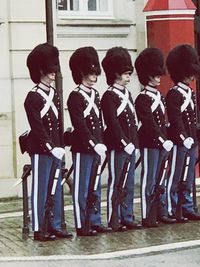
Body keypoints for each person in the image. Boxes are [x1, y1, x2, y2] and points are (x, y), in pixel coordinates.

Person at [25, 42, 73, 241]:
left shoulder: (54, 95)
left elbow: (57, 124)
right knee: (41, 188)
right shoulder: (33, 97)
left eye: (55, 68)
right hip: (42, 149)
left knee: (56, 187)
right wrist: (49, 147)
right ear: (41, 70)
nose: (54, 72)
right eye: (50, 69)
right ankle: (39, 227)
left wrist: (60, 145)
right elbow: (37, 127)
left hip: (56, 149)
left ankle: (54, 223)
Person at [67, 46, 108, 236]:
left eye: (95, 73)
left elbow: (99, 122)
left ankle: (94, 219)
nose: (94, 77)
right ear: (82, 73)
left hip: (96, 147)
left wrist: (101, 142)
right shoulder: (75, 96)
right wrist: (93, 143)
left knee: (95, 187)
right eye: (90, 73)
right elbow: (80, 125)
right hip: (83, 148)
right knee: (82, 188)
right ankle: (81, 223)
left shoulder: (96, 95)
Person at [101, 46, 142, 231]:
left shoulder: (128, 94)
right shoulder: (109, 96)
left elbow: (132, 121)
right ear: (116, 73)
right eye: (125, 73)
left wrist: (134, 143)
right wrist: (125, 143)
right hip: (118, 146)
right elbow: (113, 123)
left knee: (129, 182)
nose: (128, 77)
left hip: (130, 146)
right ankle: (113, 217)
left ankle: (127, 215)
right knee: (116, 182)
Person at [134, 48, 176, 227]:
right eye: (155, 74)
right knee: (149, 179)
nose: (159, 77)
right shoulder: (142, 98)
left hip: (161, 143)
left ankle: (161, 210)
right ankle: (147, 214)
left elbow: (162, 120)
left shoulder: (159, 95)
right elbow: (149, 124)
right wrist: (161, 140)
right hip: (150, 143)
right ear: (147, 75)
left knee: (161, 179)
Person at [166, 44, 200, 221]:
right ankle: (172, 207)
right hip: (180, 141)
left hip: (190, 140)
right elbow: (175, 119)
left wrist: (194, 137)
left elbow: (193, 118)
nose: (192, 75)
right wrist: (183, 137)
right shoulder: (174, 94)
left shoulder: (190, 92)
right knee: (176, 175)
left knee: (187, 177)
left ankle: (186, 205)